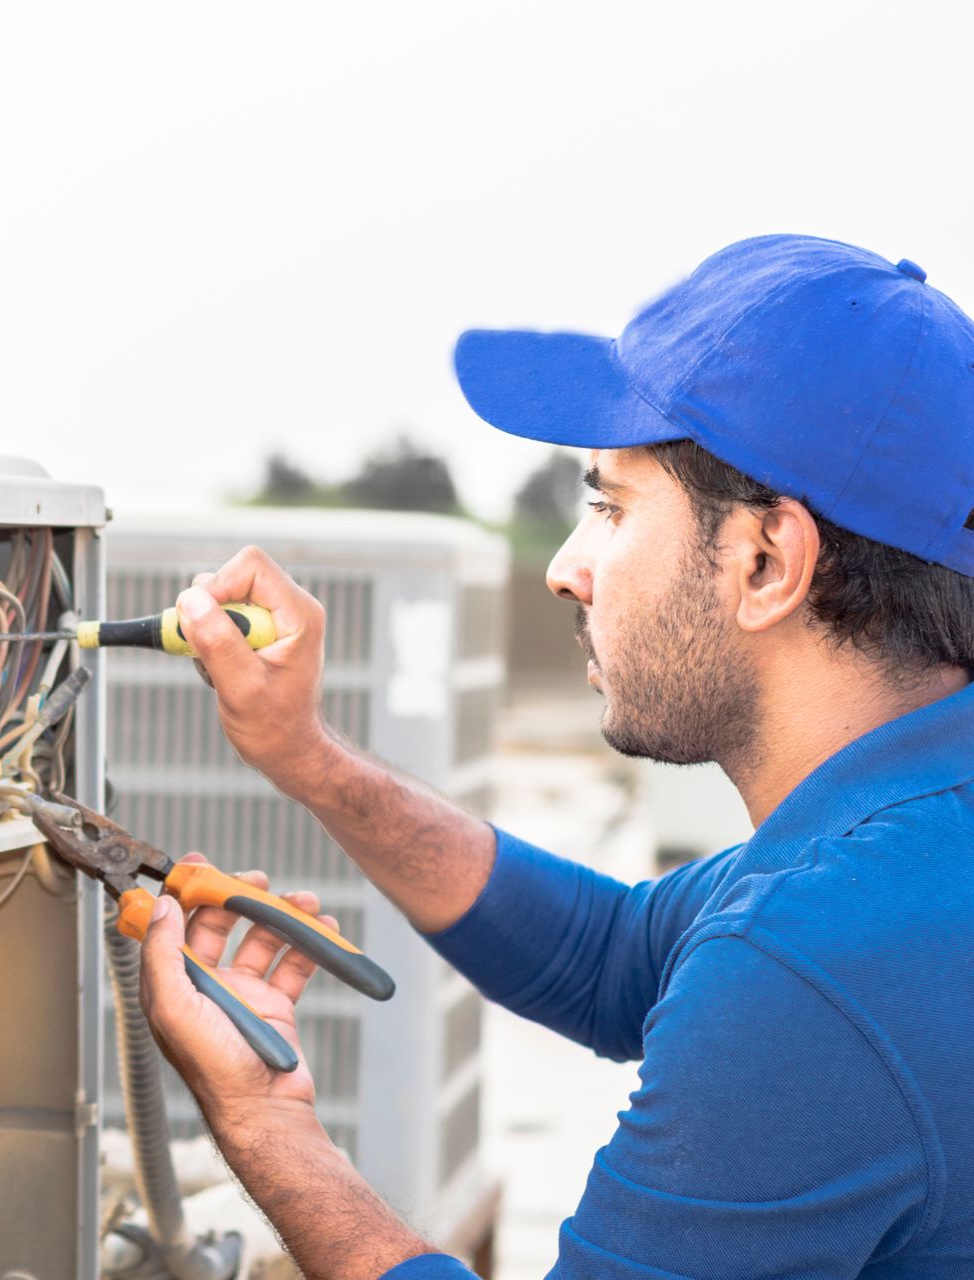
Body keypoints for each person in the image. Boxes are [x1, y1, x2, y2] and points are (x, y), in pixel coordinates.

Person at [139, 235, 974, 1279]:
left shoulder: (821, 957)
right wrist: (308, 755)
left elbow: (759, 969)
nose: (567, 569)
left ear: (768, 561)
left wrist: (261, 1120)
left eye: (612, 507)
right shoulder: (908, 836)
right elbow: (609, 955)